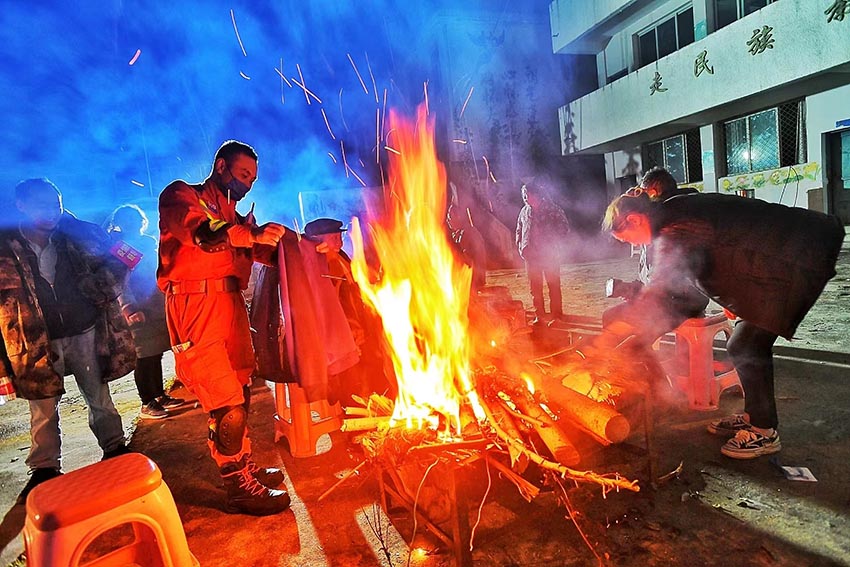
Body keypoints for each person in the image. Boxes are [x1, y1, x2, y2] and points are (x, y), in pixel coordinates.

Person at [599, 190, 844, 459]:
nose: (630, 244)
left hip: (796, 256)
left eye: (625, 239)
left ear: (634, 220)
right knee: (746, 342)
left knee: (746, 346)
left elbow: (661, 286)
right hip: (782, 257)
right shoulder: (672, 211)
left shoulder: (674, 227)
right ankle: (754, 415)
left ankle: (763, 432)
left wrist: (613, 336)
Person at [158, 140, 290, 515]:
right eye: (243, 174)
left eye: (253, 179)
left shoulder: (235, 216)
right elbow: (205, 234)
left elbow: (261, 250)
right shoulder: (183, 196)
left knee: (240, 391)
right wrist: (250, 234)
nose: (248, 183)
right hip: (194, 303)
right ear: (221, 166)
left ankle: (243, 463)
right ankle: (236, 485)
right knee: (225, 404)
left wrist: (302, 246)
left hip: (230, 303)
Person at [1, 178, 134, 504]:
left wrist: (97, 286)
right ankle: (45, 468)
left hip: (84, 329)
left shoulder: (81, 234)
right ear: (21, 205)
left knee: (98, 394)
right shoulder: (5, 245)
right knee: (43, 406)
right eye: (42, 205)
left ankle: (114, 446)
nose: (51, 211)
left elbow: (126, 257)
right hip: (35, 338)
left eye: (56, 204)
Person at [602, 167, 707, 329]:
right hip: (665, 295)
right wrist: (634, 288)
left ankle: (638, 351)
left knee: (632, 327)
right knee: (614, 318)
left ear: (653, 191)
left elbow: (679, 279)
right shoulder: (651, 221)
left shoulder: (675, 223)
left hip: (684, 300)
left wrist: (646, 293)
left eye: (642, 192)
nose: (639, 196)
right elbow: (653, 273)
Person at [106, 205, 185, 419]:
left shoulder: (149, 242)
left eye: (137, 219)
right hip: (137, 306)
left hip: (155, 301)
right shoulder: (118, 248)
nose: (135, 223)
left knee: (156, 352)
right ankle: (146, 401)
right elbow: (119, 281)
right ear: (120, 223)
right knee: (144, 353)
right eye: (129, 220)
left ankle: (159, 395)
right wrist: (128, 306)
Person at [302, 218, 394, 402]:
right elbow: (329, 308)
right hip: (338, 340)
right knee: (352, 385)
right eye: (334, 238)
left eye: (340, 237)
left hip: (359, 330)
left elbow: (354, 291)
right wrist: (350, 330)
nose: (340, 242)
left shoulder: (341, 257)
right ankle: (353, 417)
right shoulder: (315, 267)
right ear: (317, 241)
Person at [515, 178, 571, 324]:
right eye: (524, 195)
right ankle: (539, 315)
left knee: (553, 285)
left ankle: (557, 316)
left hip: (549, 255)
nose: (526, 197)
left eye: (528, 194)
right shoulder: (524, 212)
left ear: (537, 194)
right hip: (530, 256)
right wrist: (520, 246)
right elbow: (519, 230)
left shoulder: (552, 209)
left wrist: (552, 242)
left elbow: (564, 228)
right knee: (535, 287)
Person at [446, 204, 487, 292]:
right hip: (467, 279)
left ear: (459, 217)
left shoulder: (467, 234)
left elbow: (466, 260)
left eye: (450, 217)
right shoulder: (459, 233)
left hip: (470, 279)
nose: (448, 220)